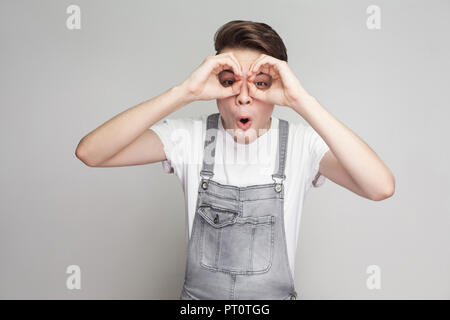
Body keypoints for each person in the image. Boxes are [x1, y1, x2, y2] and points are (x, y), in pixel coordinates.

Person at [75, 20, 395, 300]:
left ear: (278, 88)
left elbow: (380, 186)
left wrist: (301, 100)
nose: (243, 97)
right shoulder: (191, 138)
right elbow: (91, 152)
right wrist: (184, 91)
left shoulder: (301, 144)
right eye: (229, 82)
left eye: (260, 84)